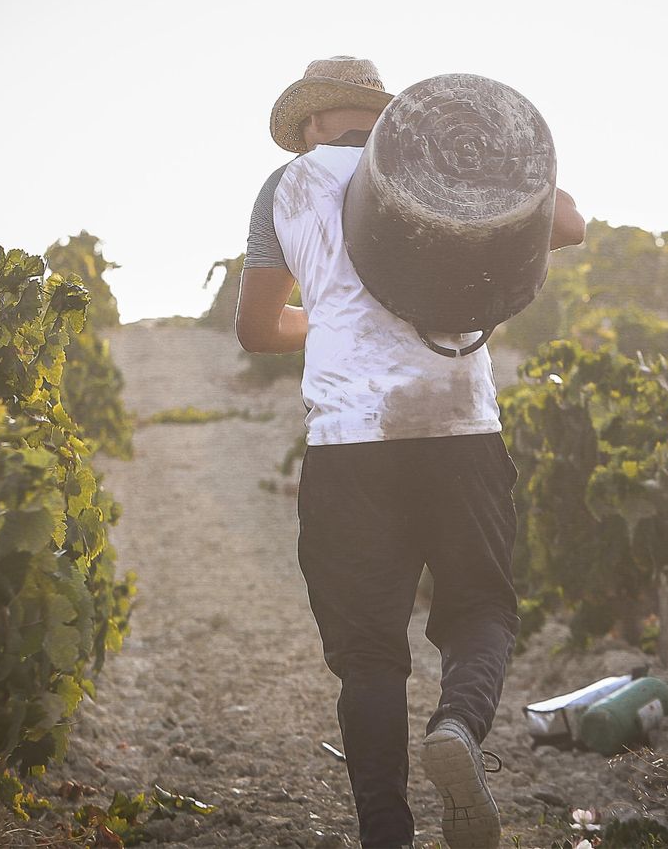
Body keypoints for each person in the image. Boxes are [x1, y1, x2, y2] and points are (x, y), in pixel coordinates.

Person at [236, 56, 585, 849]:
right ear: (381, 114)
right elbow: (568, 224)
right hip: (460, 429)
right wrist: (489, 175)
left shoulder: (286, 186)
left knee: (368, 654)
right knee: (481, 608)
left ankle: (386, 832)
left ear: (315, 122)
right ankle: (458, 726)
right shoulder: (437, 161)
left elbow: (257, 329)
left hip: (351, 442)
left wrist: (330, 316)